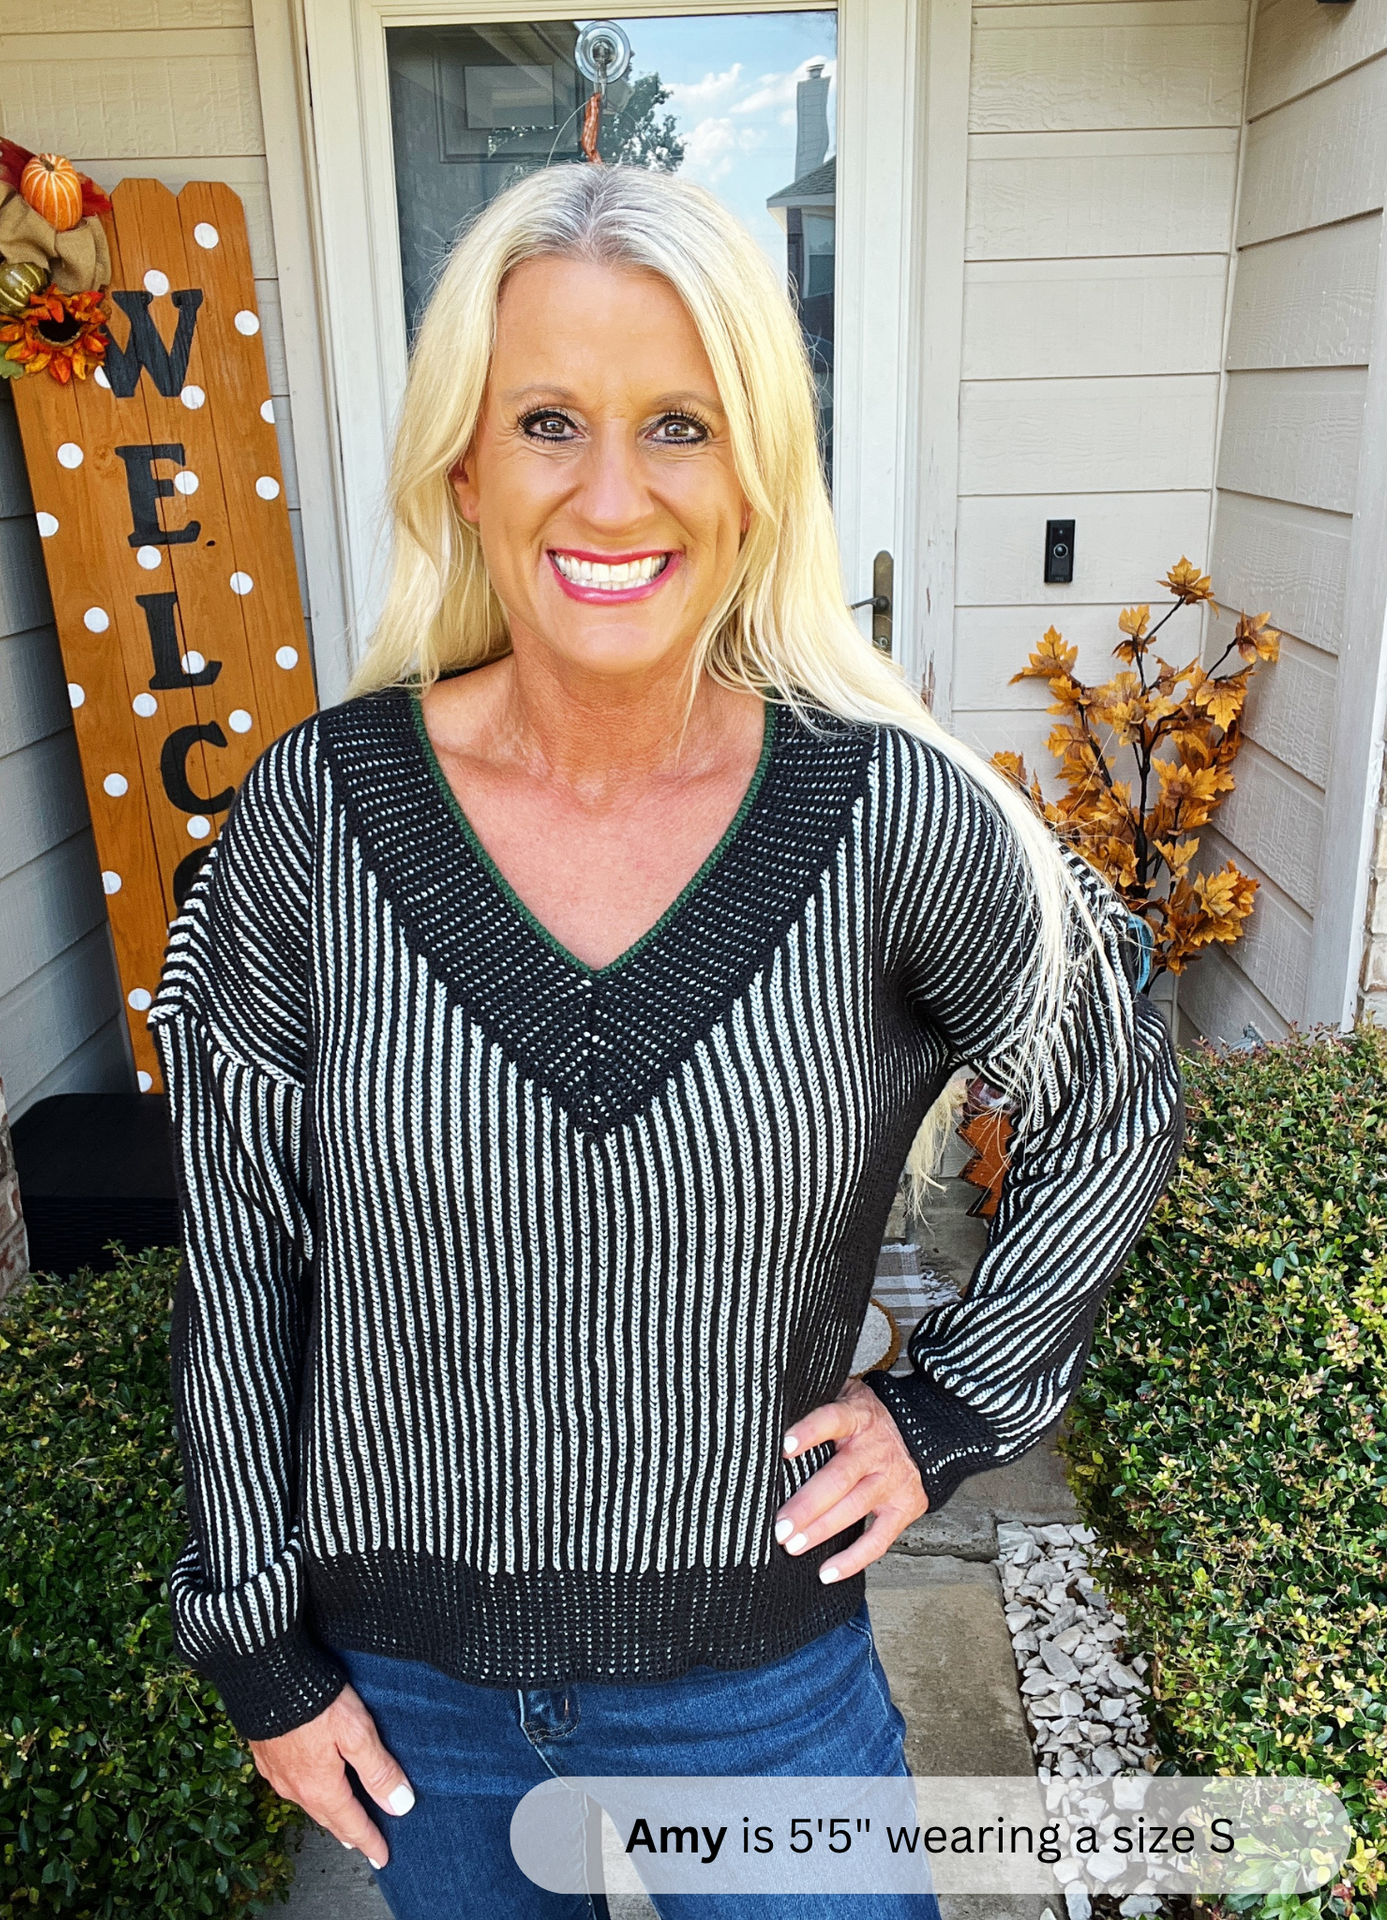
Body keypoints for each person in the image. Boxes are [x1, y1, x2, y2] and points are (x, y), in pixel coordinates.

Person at [150, 163, 1184, 1919]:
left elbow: (1112, 1069)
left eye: (680, 426)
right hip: (411, 1699)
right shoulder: (314, 824)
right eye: (547, 419)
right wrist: (258, 1649)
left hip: (759, 1688)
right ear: (462, 465)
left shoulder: (882, 819)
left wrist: (951, 1407)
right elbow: (240, 1257)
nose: (611, 492)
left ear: (757, 472)